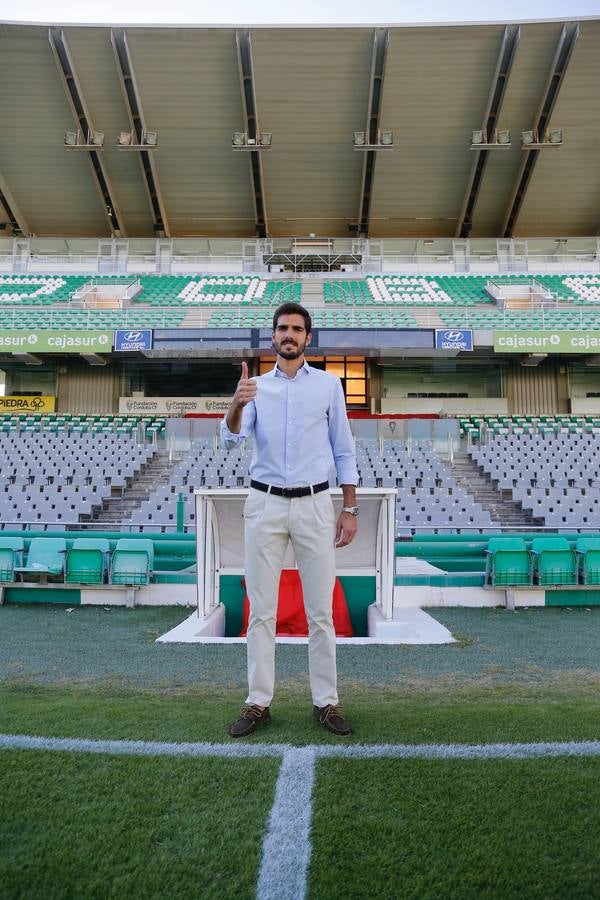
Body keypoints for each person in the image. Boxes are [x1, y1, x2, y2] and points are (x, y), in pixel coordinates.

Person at [221, 302, 359, 738]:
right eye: (282, 328)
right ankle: (258, 701)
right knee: (261, 611)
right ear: (273, 336)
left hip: (316, 504)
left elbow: (344, 449)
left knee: (321, 612)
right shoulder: (256, 387)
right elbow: (228, 441)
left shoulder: (329, 386)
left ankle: (326, 702)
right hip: (265, 504)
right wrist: (235, 404)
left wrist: (350, 508)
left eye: (297, 329)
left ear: (307, 338)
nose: (289, 335)